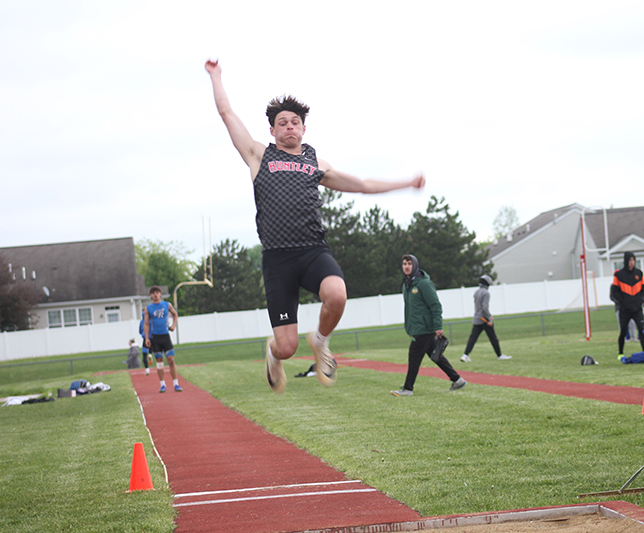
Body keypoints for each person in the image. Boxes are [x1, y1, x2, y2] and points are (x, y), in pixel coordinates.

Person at [205, 60, 425, 394]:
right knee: (287, 347)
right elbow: (227, 114)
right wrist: (216, 76)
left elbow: (363, 184)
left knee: (337, 294)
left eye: (295, 122)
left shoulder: (316, 164)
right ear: (272, 131)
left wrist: (405, 183)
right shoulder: (257, 156)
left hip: (312, 251)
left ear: (303, 129)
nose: (289, 127)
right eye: (282, 123)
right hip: (278, 260)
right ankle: (273, 353)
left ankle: (321, 342)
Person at [391, 255, 466, 396]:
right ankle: (458, 380)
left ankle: (408, 389)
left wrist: (438, 326)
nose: (406, 266)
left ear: (415, 265)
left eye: (409, 264)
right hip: (417, 328)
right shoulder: (407, 285)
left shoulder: (424, 284)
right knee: (436, 355)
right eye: (404, 264)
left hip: (424, 329)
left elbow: (435, 306)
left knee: (414, 356)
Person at [460, 275, 511, 362]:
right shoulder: (486, 293)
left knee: (472, 338)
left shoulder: (476, 292)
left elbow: (479, 307)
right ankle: (499, 355)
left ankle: (465, 355)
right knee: (493, 338)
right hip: (484, 320)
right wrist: (489, 319)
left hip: (477, 318)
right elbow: (484, 307)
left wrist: (488, 315)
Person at [143, 287, 181, 393]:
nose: (155, 295)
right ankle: (162, 385)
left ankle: (176, 384)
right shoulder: (148, 308)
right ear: (151, 296)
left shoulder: (166, 305)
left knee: (171, 360)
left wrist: (173, 325)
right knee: (159, 362)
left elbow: (175, 314)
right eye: (153, 293)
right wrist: (147, 338)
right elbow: (146, 324)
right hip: (155, 338)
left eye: (157, 293)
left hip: (165, 336)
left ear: (160, 294)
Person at [610, 251, 644, 358]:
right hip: (625, 310)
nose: (632, 262)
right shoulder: (619, 275)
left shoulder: (639, 273)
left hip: (637, 309)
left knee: (642, 330)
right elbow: (614, 293)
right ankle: (620, 353)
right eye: (630, 260)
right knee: (623, 331)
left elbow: (643, 290)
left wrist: (640, 300)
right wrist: (621, 302)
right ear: (626, 261)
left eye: (633, 260)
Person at [138, 310, 152, 375]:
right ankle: (150, 354)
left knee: (144, 355)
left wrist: (143, 334)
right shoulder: (151, 321)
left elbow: (140, 331)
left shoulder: (142, 322)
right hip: (152, 338)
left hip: (145, 338)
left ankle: (147, 369)